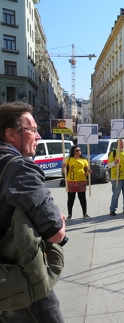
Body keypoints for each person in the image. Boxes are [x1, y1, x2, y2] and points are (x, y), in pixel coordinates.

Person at [0, 102, 66, 322]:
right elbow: (55, 233)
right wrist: (60, 222)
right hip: (24, 278)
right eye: (33, 130)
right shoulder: (20, 167)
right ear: (11, 134)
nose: (38, 137)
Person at [107, 138, 124, 216]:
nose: (122, 145)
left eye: (123, 143)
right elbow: (109, 165)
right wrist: (115, 162)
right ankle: (112, 209)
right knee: (116, 194)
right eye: (120, 144)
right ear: (117, 145)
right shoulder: (113, 153)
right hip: (116, 178)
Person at [62, 145, 92, 219]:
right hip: (71, 181)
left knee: (82, 198)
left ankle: (85, 213)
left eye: (80, 150)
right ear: (73, 152)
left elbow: (86, 172)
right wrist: (63, 167)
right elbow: (65, 172)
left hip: (81, 181)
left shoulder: (84, 160)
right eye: (77, 150)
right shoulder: (68, 159)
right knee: (71, 198)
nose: (79, 152)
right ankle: (69, 214)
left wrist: (89, 172)